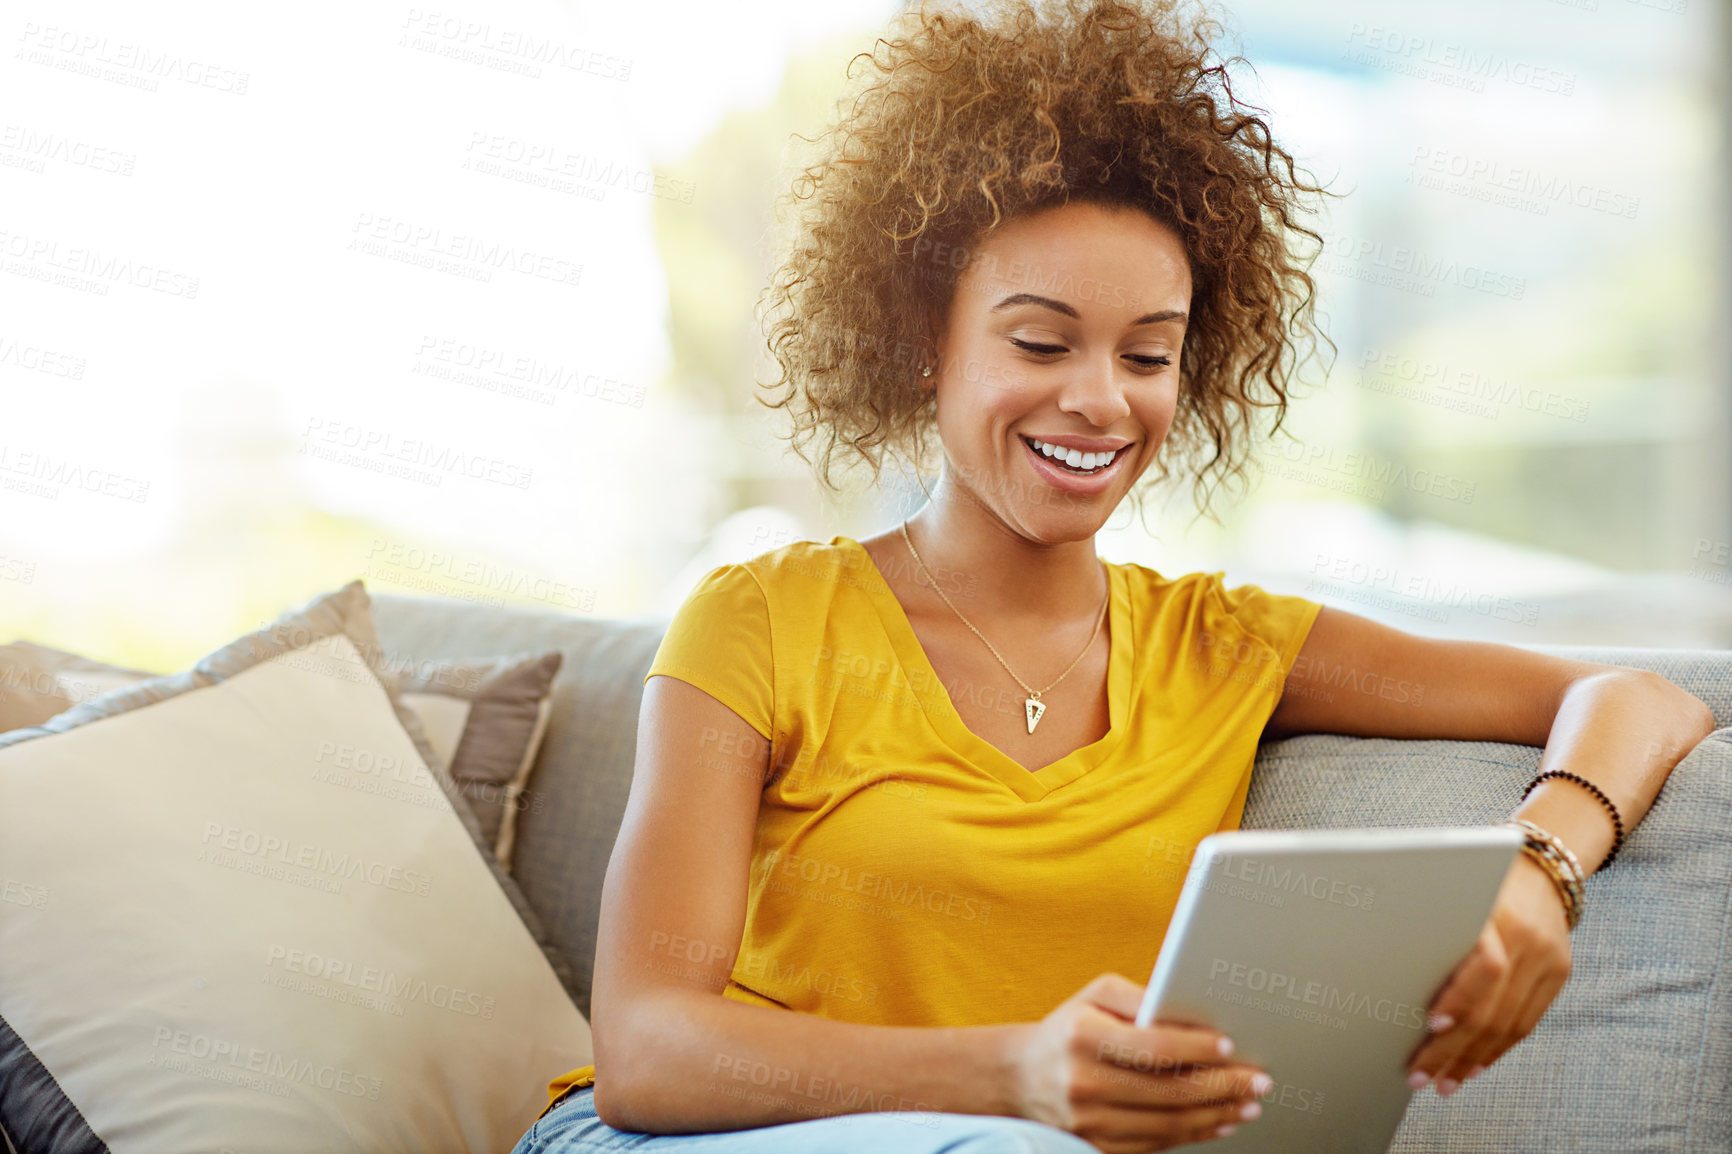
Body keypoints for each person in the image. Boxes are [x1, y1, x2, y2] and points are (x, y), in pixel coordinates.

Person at [511, 1, 1718, 1150]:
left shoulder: (1224, 647)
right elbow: (649, 1048)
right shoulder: (760, 620)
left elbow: (1641, 697)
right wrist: (1014, 1074)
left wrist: (1536, 866)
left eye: (1149, 353)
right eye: (1039, 341)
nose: (1100, 398)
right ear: (921, 341)